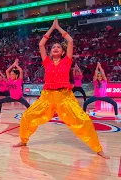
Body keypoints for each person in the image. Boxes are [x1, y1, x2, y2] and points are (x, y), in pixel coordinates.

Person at [13, 18, 109, 159]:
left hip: (65, 97)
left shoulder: (67, 61)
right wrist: (51, 28)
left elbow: (70, 41)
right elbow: (41, 44)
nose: (55, 48)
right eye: (53, 47)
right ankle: (23, 140)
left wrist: (59, 28)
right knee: (27, 116)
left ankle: (98, 149)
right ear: (50, 53)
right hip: (47, 97)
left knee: (84, 120)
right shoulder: (47, 62)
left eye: (58, 47)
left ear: (63, 52)